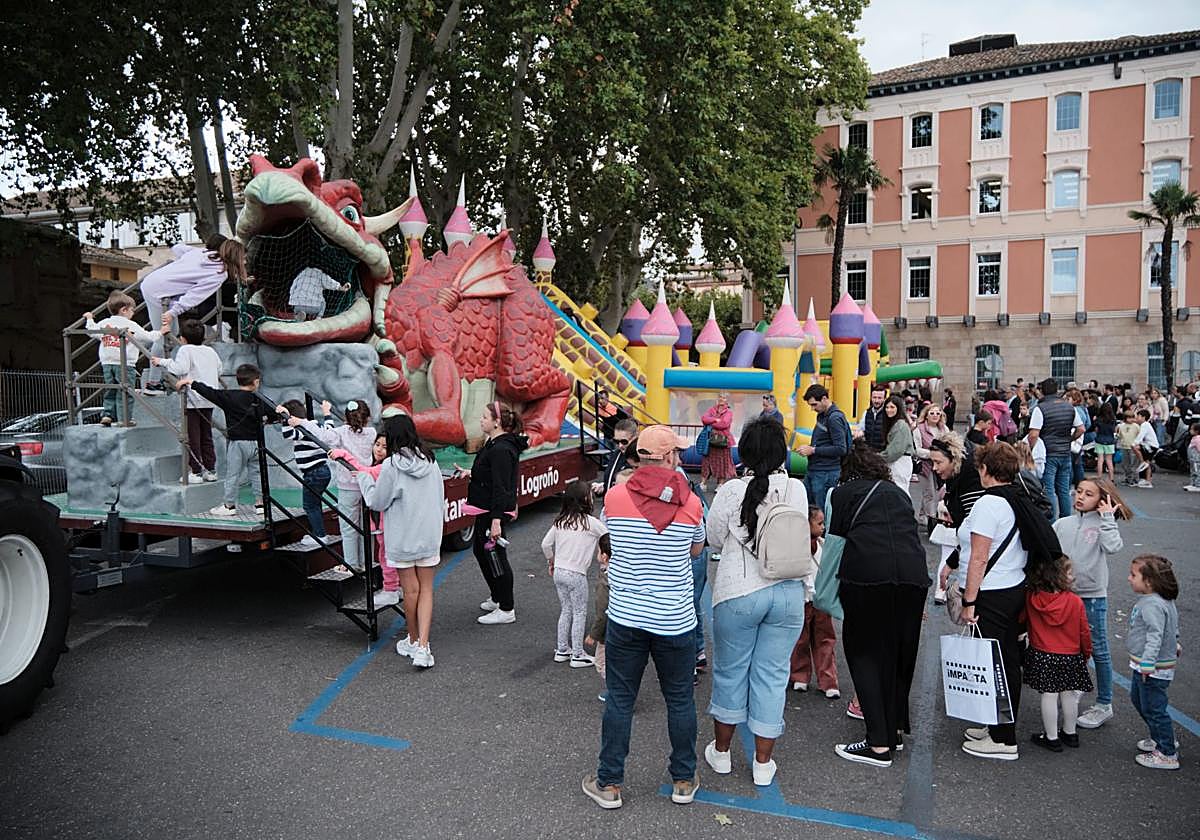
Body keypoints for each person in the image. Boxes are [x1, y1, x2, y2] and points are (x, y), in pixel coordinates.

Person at [582, 425, 705, 810]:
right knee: (680, 700)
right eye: (677, 453)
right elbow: (697, 551)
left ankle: (609, 782)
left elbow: (615, 542)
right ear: (668, 458)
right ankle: (683, 779)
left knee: (620, 699)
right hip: (675, 619)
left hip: (627, 615)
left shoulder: (616, 497)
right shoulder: (691, 503)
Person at [703, 418, 809, 786]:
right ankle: (763, 763)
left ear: (743, 451)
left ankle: (721, 753)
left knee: (731, 673)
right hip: (788, 591)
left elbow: (714, 539)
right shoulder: (796, 489)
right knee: (772, 676)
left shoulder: (732, 490)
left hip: (739, 591)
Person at [829, 441, 930, 767]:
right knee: (899, 654)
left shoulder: (842, 494)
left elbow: (834, 546)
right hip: (913, 576)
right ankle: (894, 729)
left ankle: (877, 744)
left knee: (865, 654)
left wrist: (823, 593)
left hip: (867, 576)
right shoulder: (898, 493)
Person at [950, 442, 1031, 761]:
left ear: (986, 469)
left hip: (992, 591)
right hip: (1013, 585)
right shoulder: (1015, 497)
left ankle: (1003, 738)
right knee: (1005, 659)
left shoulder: (988, 504)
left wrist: (970, 601)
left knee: (998, 662)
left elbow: (979, 557)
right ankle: (995, 723)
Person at [353, 415, 445, 668]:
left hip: (402, 537)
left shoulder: (392, 465)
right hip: (428, 534)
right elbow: (440, 497)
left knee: (410, 591)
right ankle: (424, 647)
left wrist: (363, 478)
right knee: (426, 589)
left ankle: (413, 640)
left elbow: (377, 501)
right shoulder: (431, 461)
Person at [1056, 478, 1128, 730]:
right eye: (1079, 492)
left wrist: (1108, 518)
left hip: (1092, 596)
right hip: (1065, 595)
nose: (1080, 497)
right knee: (1069, 646)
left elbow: (1113, 546)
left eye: (1089, 494)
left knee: (1098, 649)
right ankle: (1074, 686)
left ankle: (1104, 703)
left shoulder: (1103, 525)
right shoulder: (1063, 523)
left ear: (1101, 500)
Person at [179, 364, 273, 517]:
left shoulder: (229, 397)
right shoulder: (260, 398)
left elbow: (210, 393)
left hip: (238, 444)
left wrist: (191, 382)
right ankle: (260, 504)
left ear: (238, 380)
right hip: (257, 444)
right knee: (257, 473)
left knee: (233, 475)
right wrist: (269, 419)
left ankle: (229, 505)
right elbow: (274, 412)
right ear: (256, 382)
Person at [464, 402, 527, 626]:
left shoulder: (502, 449)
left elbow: (502, 485)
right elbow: (491, 474)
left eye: (484, 417)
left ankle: (507, 607)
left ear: (496, 422)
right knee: (482, 552)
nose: (481, 420)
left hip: (492, 511)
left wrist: (497, 519)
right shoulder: (494, 443)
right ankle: (497, 596)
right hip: (486, 508)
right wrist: (470, 473)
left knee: (495, 555)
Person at [1023, 554, 1093, 752]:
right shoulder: (1075, 601)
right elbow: (1084, 631)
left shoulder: (1032, 597)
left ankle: (1051, 737)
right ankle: (1070, 733)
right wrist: (1086, 653)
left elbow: (1022, 619)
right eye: (1069, 572)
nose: (1073, 576)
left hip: (1043, 653)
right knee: (1069, 694)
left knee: (1049, 695)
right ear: (1059, 576)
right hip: (1070, 654)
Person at [542, 482, 609, 668]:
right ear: (586, 499)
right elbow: (609, 537)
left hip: (559, 572)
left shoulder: (560, 521)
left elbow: (545, 545)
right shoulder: (592, 523)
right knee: (580, 612)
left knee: (566, 609)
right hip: (576, 574)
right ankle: (578, 654)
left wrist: (552, 561)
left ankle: (562, 649)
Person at [1126, 555, 1181, 771]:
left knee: (1153, 707)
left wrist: (1148, 664)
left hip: (1151, 668)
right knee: (1141, 701)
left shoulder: (1152, 605)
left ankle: (1167, 752)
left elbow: (1155, 634)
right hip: (1149, 665)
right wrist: (1175, 641)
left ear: (1149, 581)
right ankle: (1161, 737)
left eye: (1133, 575)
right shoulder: (1160, 600)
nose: (1129, 579)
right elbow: (1171, 624)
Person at [150, 319, 220, 480]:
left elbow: (179, 368)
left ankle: (195, 471)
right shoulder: (210, 351)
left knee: (193, 437)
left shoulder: (185, 350)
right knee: (206, 435)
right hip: (209, 398)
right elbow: (219, 368)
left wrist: (162, 361)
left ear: (182, 338)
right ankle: (211, 470)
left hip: (192, 400)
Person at [84, 291, 166, 426]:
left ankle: (108, 415)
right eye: (132, 310)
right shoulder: (131, 325)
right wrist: (161, 332)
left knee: (111, 389)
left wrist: (89, 318)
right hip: (125, 364)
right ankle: (124, 418)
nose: (133, 313)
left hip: (107, 363)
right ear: (124, 310)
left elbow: (91, 331)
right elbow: (148, 336)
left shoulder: (105, 323)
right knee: (126, 391)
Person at [314, 400, 376, 570]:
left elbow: (324, 437)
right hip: (366, 484)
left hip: (348, 486)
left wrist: (327, 413)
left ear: (346, 418)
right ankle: (366, 563)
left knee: (348, 527)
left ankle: (350, 564)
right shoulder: (372, 433)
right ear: (368, 417)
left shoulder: (340, 432)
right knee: (366, 526)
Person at [790, 505, 839, 698]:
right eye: (819, 523)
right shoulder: (799, 546)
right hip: (804, 599)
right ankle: (800, 676)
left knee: (825, 639)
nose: (823, 527)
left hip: (819, 599)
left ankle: (828, 681)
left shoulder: (823, 545)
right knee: (800, 639)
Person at [278, 400, 334, 551]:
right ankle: (318, 532)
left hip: (313, 473)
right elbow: (330, 428)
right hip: (324, 471)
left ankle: (320, 536)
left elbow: (288, 434)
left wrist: (285, 417)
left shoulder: (303, 430)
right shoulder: (317, 426)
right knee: (315, 504)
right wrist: (326, 412)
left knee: (310, 505)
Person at [1027, 378, 1085, 520]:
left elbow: (1033, 434)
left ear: (1042, 391)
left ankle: (1051, 520)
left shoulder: (1040, 408)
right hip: (1065, 452)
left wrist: (1030, 449)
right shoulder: (1069, 407)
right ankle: (1066, 519)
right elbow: (1081, 429)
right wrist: (1069, 439)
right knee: (1063, 489)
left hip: (1048, 453)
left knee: (1049, 489)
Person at [798, 384, 851, 510]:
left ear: (824, 399)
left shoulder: (834, 418)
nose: (812, 409)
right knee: (810, 509)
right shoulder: (822, 416)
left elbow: (841, 448)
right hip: (816, 470)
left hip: (826, 473)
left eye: (814, 404)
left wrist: (813, 450)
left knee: (820, 512)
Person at [913, 404, 949, 528]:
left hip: (941, 466)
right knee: (930, 493)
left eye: (938, 413)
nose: (935, 416)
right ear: (926, 415)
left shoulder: (944, 429)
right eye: (932, 413)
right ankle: (932, 520)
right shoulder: (919, 429)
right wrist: (932, 455)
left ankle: (923, 516)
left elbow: (949, 445)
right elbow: (916, 449)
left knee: (938, 492)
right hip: (925, 465)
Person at [880, 395, 916, 496]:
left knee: (900, 490)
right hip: (899, 461)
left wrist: (878, 457)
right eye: (887, 407)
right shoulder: (897, 423)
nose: (888, 410)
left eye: (892, 407)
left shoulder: (900, 425)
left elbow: (895, 451)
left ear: (898, 408)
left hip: (900, 461)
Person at [700, 393, 736, 489]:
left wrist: (711, 422)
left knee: (722, 463)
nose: (721, 399)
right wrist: (716, 420)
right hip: (710, 441)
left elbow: (724, 424)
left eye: (723, 397)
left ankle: (720, 484)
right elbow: (704, 419)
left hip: (723, 441)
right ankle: (703, 483)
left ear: (727, 401)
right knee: (706, 462)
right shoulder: (712, 409)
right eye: (720, 397)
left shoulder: (729, 412)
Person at [593, 419, 636, 496]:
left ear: (635, 437)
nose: (620, 446)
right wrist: (604, 487)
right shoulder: (616, 454)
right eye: (616, 441)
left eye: (624, 441)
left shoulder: (640, 459)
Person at [1132, 408, 1159, 489]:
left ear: (1143, 417)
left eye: (1138, 416)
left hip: (1151, 446)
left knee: (1146, 462)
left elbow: (1140, 437)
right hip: (1148, 445)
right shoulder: (1145, 425)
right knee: (1147, 462)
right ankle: (1145, 479)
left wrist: (1134, 443)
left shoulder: (1145, 425)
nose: (1137, 418)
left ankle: (1147, 480)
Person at [1093, 402, 1118, 482]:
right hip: (1110, 441)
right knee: (1109, 460)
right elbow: (1114, 430)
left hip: (1100, 439)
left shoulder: (1098, 419)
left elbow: (1096, 430)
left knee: (1100, 460)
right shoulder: (1113, 420)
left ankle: (1099, 477)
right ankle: (1111, 478)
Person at [1117, 410, 1141, 487]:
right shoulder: (1121, 426)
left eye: (1132, 418)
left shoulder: (1136, 426)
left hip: (1133, 447)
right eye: (1129, 418)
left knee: (1133, 464)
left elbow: (1139, 435)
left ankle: (1134, 478)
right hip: (1124, 446)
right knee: (1125, 464)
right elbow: (1119, 435)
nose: (1131, 420)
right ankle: (1128, 478)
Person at [861, 384, 887, 450]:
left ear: (884, 399)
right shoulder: (866, 412)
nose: (876, 401)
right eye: (874, 397)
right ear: (871, 397)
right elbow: (861, 429)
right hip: (869, 451)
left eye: (879, 398)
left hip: (883, 452)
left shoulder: (888, 413)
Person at [1186, 423, 1200, 492]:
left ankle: (1198, 485)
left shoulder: (1198, 439)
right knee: (1193, 471)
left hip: (1196, 460)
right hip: (1192, 460)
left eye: (1191, 429)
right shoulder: (1194, 438)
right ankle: (1193, 484)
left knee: (1197, 472)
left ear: (1196, 431)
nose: (1190, 431)